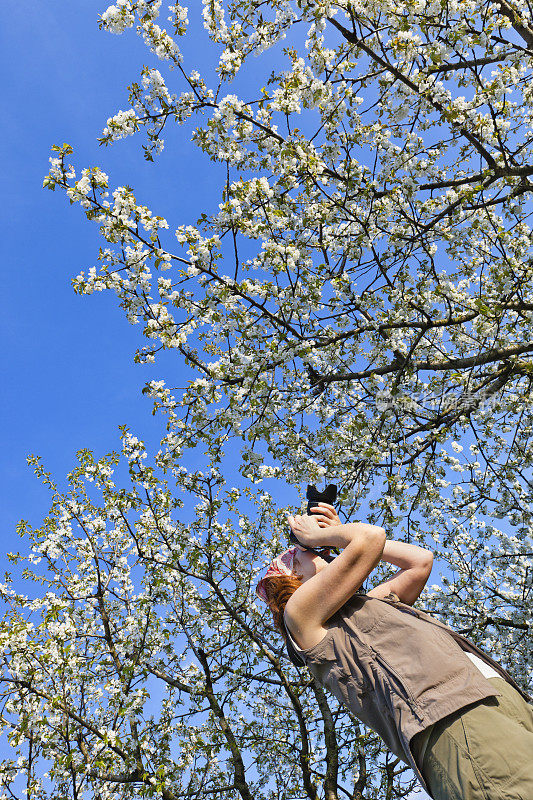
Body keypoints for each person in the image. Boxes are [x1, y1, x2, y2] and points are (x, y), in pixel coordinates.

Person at [255, 503, 533, 800]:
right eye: (309, 552)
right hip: (450, 715)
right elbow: (369, 539)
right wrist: (316, 536)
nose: (321, 552)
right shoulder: (300, 618)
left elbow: (420, 561)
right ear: (293, 572)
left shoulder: (368, 606)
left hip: (497, 697)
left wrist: (335, 536)